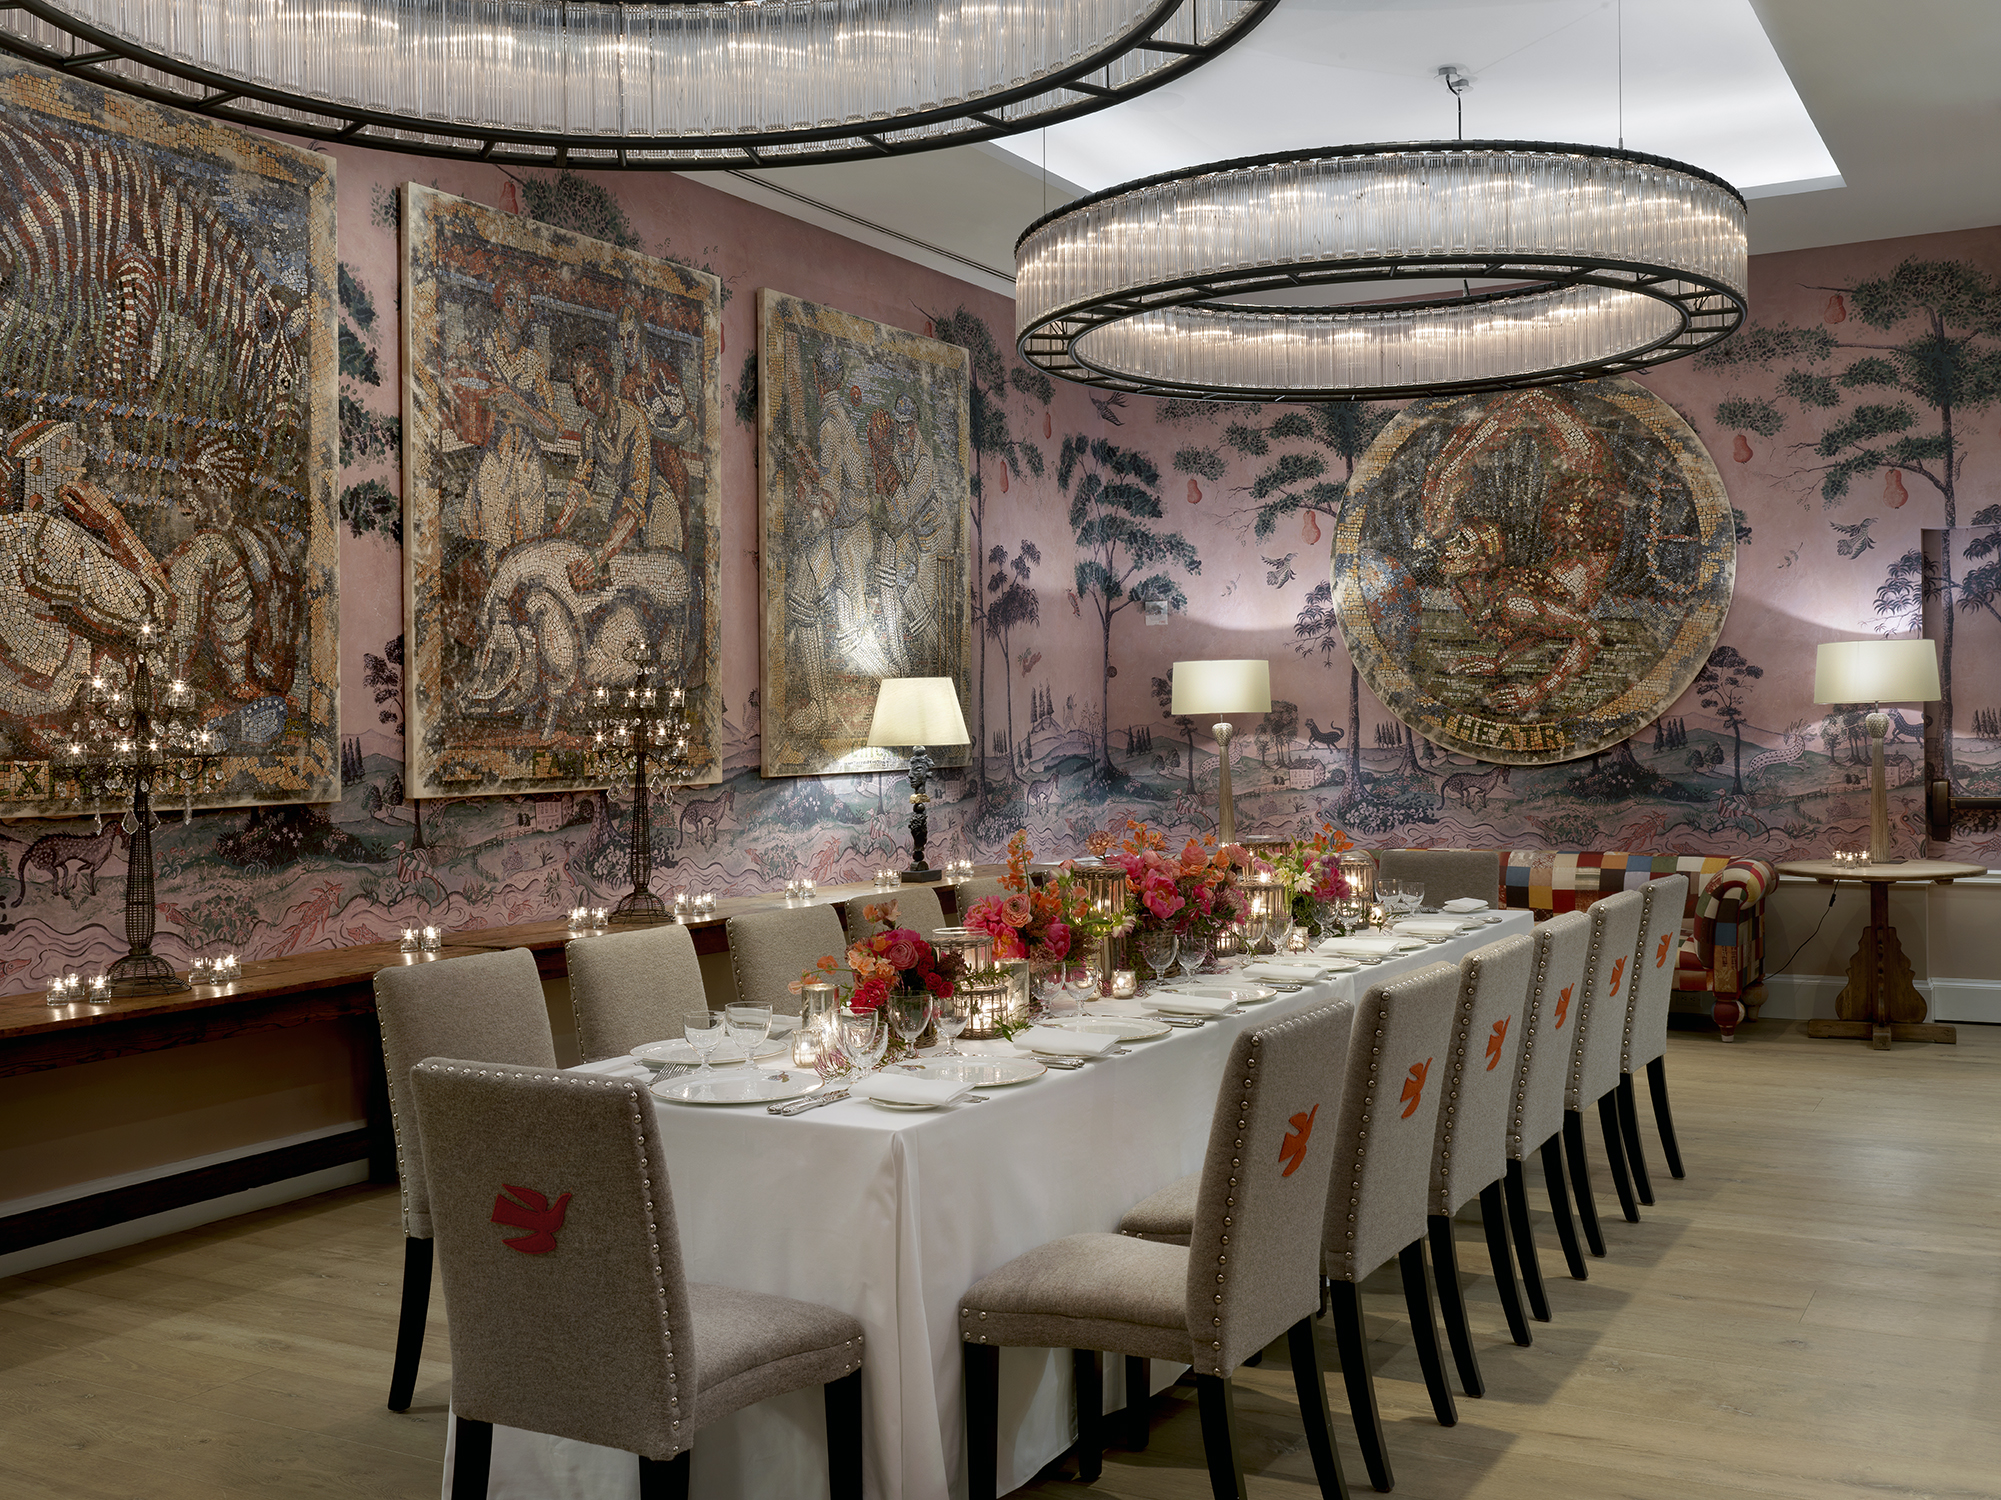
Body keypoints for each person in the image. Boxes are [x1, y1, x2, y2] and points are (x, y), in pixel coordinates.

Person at [460, 277, 560, 572]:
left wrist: (521, 408)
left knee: (526, 551)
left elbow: (552, 428)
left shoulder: (534, 362)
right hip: (494, 460)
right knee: (494, 545)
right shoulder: (481, 351)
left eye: (525, 305)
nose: (517, 311)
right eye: (511, 301)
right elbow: (466, 402)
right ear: (500, 304)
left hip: (528, 465)